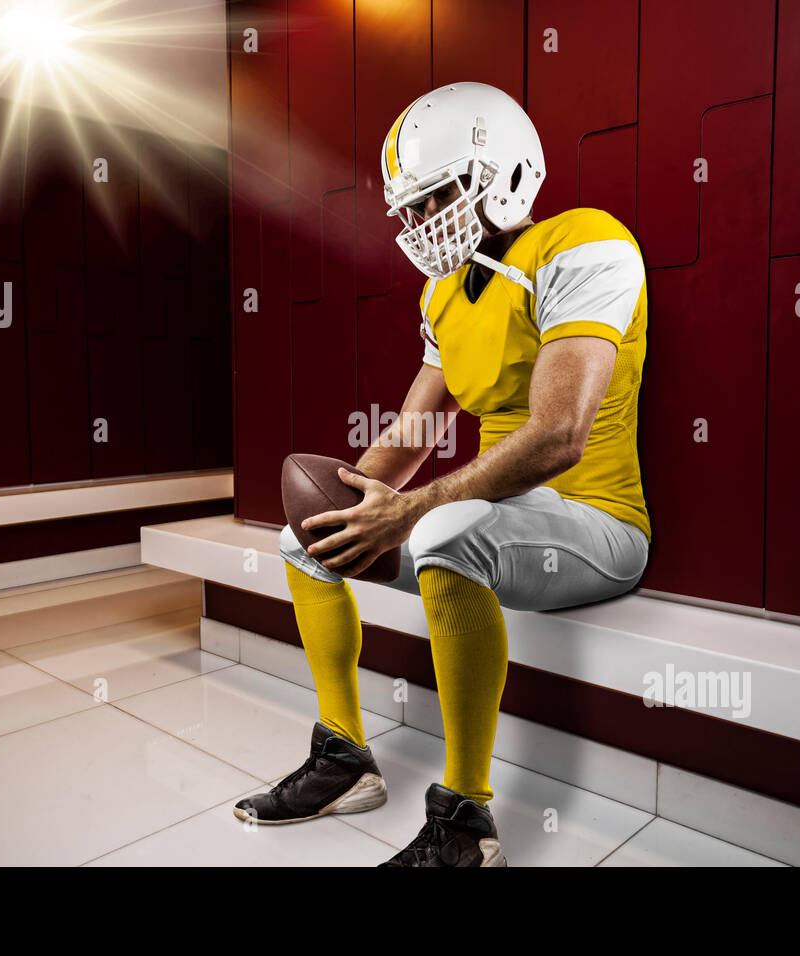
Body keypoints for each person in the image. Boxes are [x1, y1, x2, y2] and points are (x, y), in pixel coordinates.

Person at [234, 81, 651, 867]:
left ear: (506, 174)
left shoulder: (584, 243)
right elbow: (415, 433)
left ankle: (464, 821)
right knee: (305, 542)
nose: (423, 224)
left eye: (437, 198)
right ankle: (344, 759)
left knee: (451, 533)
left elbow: (559, 436)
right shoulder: (443, 292)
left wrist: (411, 511)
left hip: (597, 523)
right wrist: (352, 507)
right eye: (412, 210)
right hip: (505, 520)